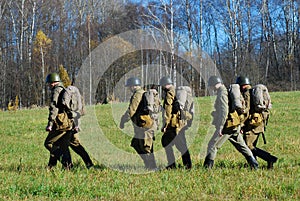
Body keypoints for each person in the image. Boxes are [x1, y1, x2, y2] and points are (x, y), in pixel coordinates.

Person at [203, 75, 258, 169]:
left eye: (211, 86)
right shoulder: (226, 91)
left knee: (213, 145)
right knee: (242, 146)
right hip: (235, 124)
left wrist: (220, 127)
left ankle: (207, 168)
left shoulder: (222, 93)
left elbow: (224, 111)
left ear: (214, 84)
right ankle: (254, 164)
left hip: (227, 126)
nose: (211, 88)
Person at [236, 76, 278, 169]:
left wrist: (241, 125)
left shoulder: (247, 93)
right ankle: (253, 165)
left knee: (248, 146)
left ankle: (269, 158)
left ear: (242, 85)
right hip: (258, 122)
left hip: (252, 124)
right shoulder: (252, 92)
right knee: (251, 145)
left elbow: (246, 110)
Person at [119, 77, 157, 170]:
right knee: (136, 144)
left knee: (146, 147)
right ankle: (148, 165)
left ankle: (152, 167)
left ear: (133, 86)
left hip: (145, 125)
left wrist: (123, 121)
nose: (128, 89)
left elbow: (131, 110)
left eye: (129, 87)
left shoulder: (138, 94)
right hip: (143, 125)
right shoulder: (142, 93)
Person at [159, 76, 192, 169]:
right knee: (177, 143)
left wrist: (165, 124)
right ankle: (182, 165)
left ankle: (178, 166)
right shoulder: (176, 91)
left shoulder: (170, 93)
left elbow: (168, 109)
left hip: (174, 124)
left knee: (172, 143)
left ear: (165, 85)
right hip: (180, 122)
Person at [44, 73, 73, 170]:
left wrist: (50, 123)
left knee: (48, 143)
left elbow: (54, 107)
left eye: (49, 83)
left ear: (53, 83)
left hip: (60, 122)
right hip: (68, 121)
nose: (48, 85)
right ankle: (52, 166)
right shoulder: (64, 89)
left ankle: (66, 163)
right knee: (63, 146)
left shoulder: (56, 91)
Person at [62, 83, 94, 169]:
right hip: (73, 124)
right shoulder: (77, 94)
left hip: (71, 124)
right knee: (75, 145)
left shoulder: (69, 93)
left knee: (70, 145)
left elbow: (75, 112)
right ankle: (88, 164)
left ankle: (69, 166)